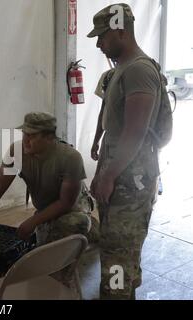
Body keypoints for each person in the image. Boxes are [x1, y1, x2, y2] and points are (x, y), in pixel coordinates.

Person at [87, 4, 162, 299]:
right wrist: (102, 173)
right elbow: (115, 129)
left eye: (102, 36)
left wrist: (109, 176)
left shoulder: (139, 70)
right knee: (118, 250)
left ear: (120, 31)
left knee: (119, 256)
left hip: (132, 183)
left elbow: (135, 131)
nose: (98, 43)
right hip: (121, 177)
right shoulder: (122, 70)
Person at [0, 112, 93, 247]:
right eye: (25, 134)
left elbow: (66, 203)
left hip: (73, 209)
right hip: (44, 208)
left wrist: (33, 221)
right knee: (43, 249)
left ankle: (88, 231)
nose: (25, 140)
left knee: (75, 224)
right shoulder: (16, 152)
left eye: (32, 136)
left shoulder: (70, 158)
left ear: (49, 137)